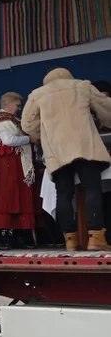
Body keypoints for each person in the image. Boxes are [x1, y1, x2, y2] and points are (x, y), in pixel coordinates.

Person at [23, 68, 111, 251]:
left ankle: (70, 239)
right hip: (85, 145)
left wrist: (44, 134)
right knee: (92, 190)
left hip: (58, 150)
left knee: (63, 194)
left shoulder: (38, 95)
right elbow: (106, 108)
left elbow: (27, 125)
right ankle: (96, 238)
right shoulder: (82, 86)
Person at [0, 92, 37, 250]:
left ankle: (19, 236)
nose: (19, 109)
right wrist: (29, 139)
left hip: (14, 164)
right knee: (4, 199)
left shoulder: (13, 121)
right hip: (6, 165)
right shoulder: (2, 121)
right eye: (17, 105)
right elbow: (8, 141)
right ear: (7, 105)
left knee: (16, 199)